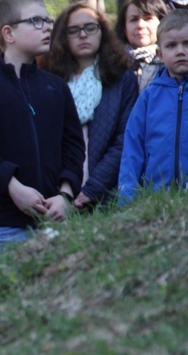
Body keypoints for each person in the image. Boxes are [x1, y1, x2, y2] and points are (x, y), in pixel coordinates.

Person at [0, 0, 85, 253]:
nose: (47, 27)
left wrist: (65, 195)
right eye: (36, 21)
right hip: (2, 225)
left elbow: (73, 146)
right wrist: (12, 186)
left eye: (48, 20)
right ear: (8, 33)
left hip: (56, 220)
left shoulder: (56, 87)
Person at [40, 2, 139, 208]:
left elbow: (124, 139)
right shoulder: (49, 82)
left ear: (102, 31)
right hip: (53, 195)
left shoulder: (122, 79)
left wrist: (93, 187)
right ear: (63, 37)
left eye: (90, 27)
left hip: (107, 195)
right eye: (73, 30)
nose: (83, 35)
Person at [118, 8, 188, 202]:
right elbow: (132, 150)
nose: (181, 51)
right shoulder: (148, 97)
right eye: (172, 45)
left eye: (187, 44)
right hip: (155, 199)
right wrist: (126, 200)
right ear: (160, 53)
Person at [115, 0, 168, 92]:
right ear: (124, 27)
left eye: (147, 18)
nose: (140, 25)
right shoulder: (112, 65)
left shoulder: (171, 63)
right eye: (134, 20)